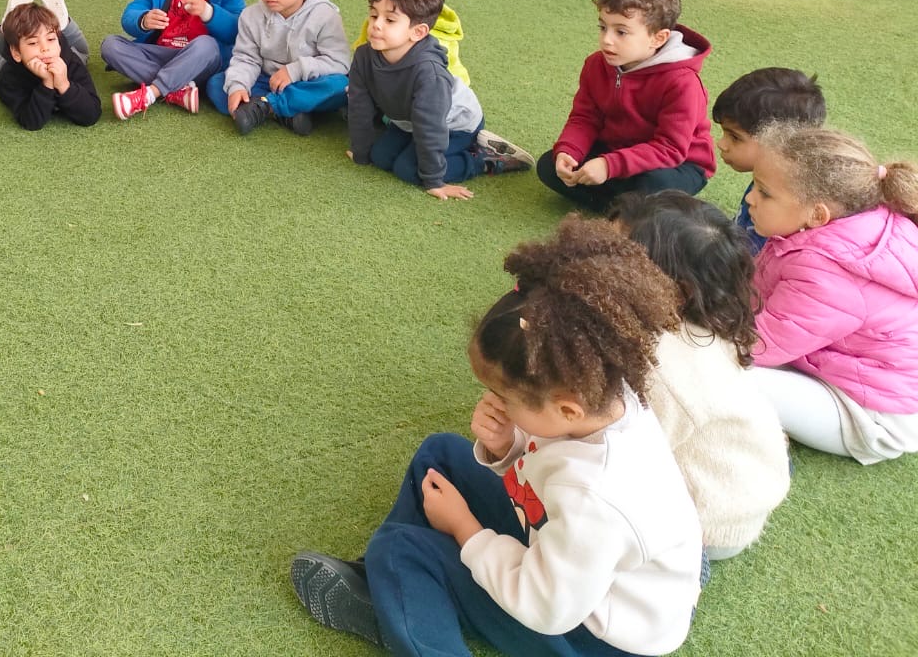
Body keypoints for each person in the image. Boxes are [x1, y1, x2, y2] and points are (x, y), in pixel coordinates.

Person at [290, 217, 701, 657]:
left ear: (567, 408)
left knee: (399, 550)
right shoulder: (604, 399)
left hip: (587, 633)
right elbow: (549, 471)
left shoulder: (595, 499)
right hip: (574, 568)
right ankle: (400, 591)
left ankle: (398, 597)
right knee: (439, 454)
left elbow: (543, 606)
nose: (494, 402)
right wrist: (507, 447)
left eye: (506, 396)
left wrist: (465, 530)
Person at [609, 191, 790, 559]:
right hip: (737, 471)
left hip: (711, 521)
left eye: (618, 259)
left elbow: (620, 457)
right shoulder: (705, 316)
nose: (597, 261)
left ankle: (690, 564)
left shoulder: (662, 366)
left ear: (678, 290)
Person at [745, 123, 918, 464]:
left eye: (764, 192)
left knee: (721, 375)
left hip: (871, 415)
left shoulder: (828, 270)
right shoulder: (843, 226)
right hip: (842, 370)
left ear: (817, 214)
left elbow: (758, 344)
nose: (750, 198)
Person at [346, 0, 533, 199]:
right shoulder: (364, 56)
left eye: (389, 20)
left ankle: (483, 158)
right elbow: (359, 107)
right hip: (409, 121)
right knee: (380, 157)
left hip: (454, 124)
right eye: (374, 15)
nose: (376, 25)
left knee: (408, 170)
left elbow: (431, 126)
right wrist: (360, 153)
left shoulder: (428, 73)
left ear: (418, 32)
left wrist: (434, 181)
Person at [537, 0, 714, 212]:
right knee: (549, 166)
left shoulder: (683, 83)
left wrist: (609, 165)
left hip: (679, 163)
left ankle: (624, 206)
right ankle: (626, 209)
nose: (606, 40)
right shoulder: (596, 64)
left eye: (621, 32)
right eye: (603, 27)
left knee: (651, 186)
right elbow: (585, 118)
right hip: (616, 150)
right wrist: (569, 151)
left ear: (658, 38)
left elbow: (670, 148)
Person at [206, 0, 349, 136]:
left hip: (306, 82)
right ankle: (287, 112)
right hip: (267, 80)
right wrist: (238, 86)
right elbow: (246, 58)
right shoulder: (251, 16)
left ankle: (268, 106)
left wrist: (296, 70)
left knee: (340, 86)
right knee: (216, 85)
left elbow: (339, 63)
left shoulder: (326, 15)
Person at [103, 0, 245, 119]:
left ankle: (151, 93)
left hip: (201, 60)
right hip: (162, 53)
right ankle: (177, 90)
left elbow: (238, 31)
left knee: (207, 44)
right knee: (110, 46)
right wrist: (143, 20)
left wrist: (209, 12)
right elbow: (129, 15)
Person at [710, 68, 826, 252]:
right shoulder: (767, 180)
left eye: (735, 137)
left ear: (780, 141)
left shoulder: (784, 210)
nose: (721, 144)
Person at [0, 0, 101, 130]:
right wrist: (47, 84)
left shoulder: (71, 63)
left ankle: (62, 23)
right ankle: (5, 28)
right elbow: (31, 121)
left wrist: (64, 85)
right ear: (16, 53)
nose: (45, 48)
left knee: (81, 54)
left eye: (50, 39)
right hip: (12, 62)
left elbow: (92, 115)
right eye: (33, 42)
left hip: (63, 45)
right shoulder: (8, 77)